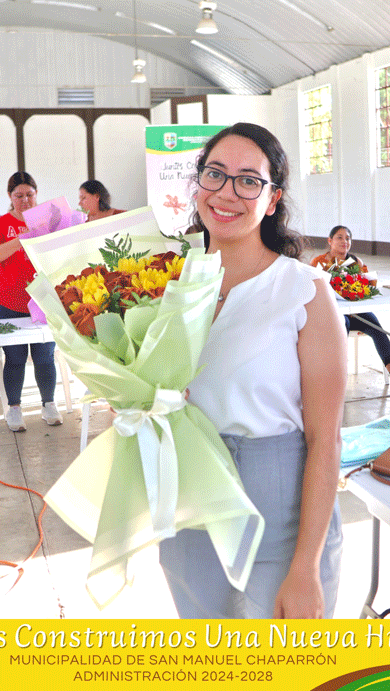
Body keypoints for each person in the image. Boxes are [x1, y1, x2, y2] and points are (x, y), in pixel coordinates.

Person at [158, 122, 345, 619]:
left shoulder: (304, 291)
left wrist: (305, 567)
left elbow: (326, 440)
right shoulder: (163, 285)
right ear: (197, 183)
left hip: (279, 508)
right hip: (187, 503)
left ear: (272, 198)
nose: (226, 193)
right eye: (215, 174)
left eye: (248, 181)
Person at [0, 171, 62, 432]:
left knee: (45, 356)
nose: (25, 200)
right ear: (10, 196)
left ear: (37, 194)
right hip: (7, 302)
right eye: (19, 195)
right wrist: (21, 239)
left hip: (42, 301)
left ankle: (49, 404)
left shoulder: (49, 221)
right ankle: (14, 408)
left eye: (30, 194)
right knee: (15, 357)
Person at [312, 226, 390, 394]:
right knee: (342, 325)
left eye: (347, 238)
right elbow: (311, 290)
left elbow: (367, 286)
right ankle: (337, 377)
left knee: (377, 329)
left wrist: (366, 285)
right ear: (330, 241)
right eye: (339, 237)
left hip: (357, 312)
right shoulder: (318, 263)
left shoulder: (356, 262)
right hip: (332, 314)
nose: (344, 241)